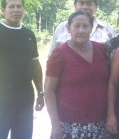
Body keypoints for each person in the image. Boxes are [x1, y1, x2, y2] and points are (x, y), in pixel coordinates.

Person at [0, 0, 44, 139]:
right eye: (11, 7)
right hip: (0, 98)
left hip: (25, 98)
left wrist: (40, 93)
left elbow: (35, 66)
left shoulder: (29, 34)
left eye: (19, 6)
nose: (16, 10)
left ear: (24, 9)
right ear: (3, 10)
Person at [45, 11, 110, 139]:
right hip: (69, 125)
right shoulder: (59, 53)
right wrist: (55, 124)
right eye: (76, 26)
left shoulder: (102, 50)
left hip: (100, 124)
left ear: (91, 28)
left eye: (85, 26)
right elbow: (49, 90)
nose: (81, 30)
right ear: (68, 29)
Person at [49, 0, 116, 55]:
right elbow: (52, 56)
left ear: (96, 7)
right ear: (75, 6)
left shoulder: (107, 29)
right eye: (81, 3)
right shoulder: (62, 28)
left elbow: (115, 58)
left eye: (89, 3)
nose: (85, 7)